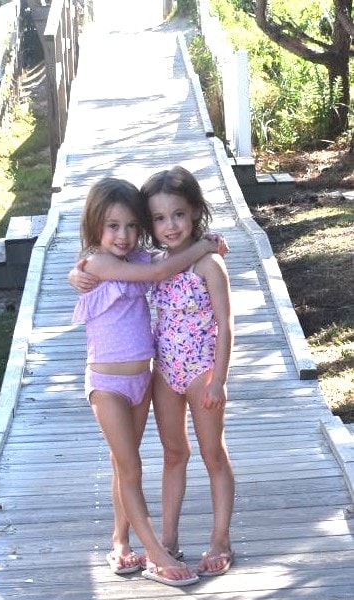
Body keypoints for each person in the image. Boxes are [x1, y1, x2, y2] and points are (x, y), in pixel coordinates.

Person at [70, 176, 222, 587]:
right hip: (107, 385)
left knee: (126, 466)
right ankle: (155, 551)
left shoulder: (138, 259)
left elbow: (164, 262)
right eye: (113, 226)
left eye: (133, 226)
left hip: (142, 379)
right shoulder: (97, 262)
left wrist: (204, 245)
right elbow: (163, 270)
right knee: (131, 465)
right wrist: (202, 246)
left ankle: (120, 542)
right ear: (94, 226)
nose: (124, 235)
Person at [140, 166, 235, 576]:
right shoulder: (158, 262)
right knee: (174, 453)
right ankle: (169, 539)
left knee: (213, 454)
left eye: (178, 214)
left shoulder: (209, 266)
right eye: (159, 218)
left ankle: (220, 539)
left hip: (201, 370)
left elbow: (226, 324)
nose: (170, 225)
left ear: (195, 210)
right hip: (166, 371)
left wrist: (220, 377)